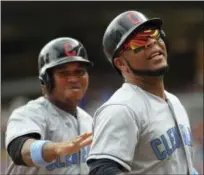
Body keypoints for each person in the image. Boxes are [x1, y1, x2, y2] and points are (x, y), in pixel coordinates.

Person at [86, 11, 199, 175]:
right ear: (121, 63)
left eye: (153, 34)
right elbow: (101, 170)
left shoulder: (174, 101)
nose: (152, 42)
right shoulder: (122, 108)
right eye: (139, 40)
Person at [5, 37, 93, 175]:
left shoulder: (89, 121)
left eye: (79, 72)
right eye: (64, 73)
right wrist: (56, 149)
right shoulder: (29, 113)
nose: (74, 79)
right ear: (47, 80)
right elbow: (20, 150)